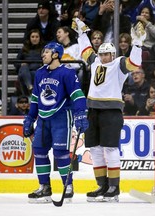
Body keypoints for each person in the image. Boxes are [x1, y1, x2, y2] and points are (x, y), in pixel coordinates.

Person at [72, 17, 145, 202]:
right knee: (95, 149)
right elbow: (86, 49)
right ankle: (101, 185)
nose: (104, 57)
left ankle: (114, 187)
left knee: (110, 149)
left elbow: (135, 63)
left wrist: (137, 44)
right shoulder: (95, 61)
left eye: (108, 54)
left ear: (113, 55)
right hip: (92, 110)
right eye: (103, 54)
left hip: (111, 111)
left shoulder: (119, 64)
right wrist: (81, 32)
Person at [23, 42, 89, 203]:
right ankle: (44, 187)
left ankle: (69, 186)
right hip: (43, 119)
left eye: (46, 52)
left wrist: (80, 113)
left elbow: (77, 95)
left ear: (55, 54)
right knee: (38, 150)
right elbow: (36, 99)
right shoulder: (39, 73)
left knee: (60, 153)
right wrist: (30, 118)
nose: (42, 55)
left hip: (61, 117)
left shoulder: (67, 73)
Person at [15, 29, 44, 96]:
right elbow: (16, 62)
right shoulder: (24, 49)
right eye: (33, 37)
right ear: (29, 38)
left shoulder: (44, 49)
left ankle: (30, 89)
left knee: (33, 73)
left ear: (40, 38)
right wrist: (21, 64)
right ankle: (30, 87)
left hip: (37, 72)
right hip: (25, 72)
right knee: (24, 68)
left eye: (37, 37)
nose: (35, 39)